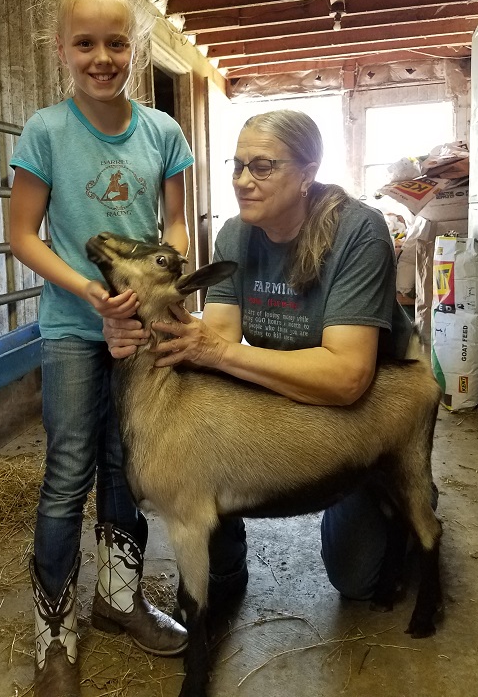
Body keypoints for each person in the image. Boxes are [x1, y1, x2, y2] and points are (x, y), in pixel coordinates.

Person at [103, 108, 415, 613]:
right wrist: (132, 328)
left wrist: (223, 353)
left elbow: (347, 377)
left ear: (308, 173)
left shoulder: (360, 231)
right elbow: (214, 344)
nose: (243, 181)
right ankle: (224, 562)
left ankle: (400, 487)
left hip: (359, 412)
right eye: (238, 165)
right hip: (278, 402)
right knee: (200, 435)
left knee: (357, 579)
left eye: (263, 167)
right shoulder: (236, 234)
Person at [9, 0, 189, 697]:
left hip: (140, 330)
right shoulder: (46, 131)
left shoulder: (162, 133)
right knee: (67, 472)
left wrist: (145, 295)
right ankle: (55, 627)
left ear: (137, 50)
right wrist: (92, 293)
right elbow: (22, 233)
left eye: (116, 43)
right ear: (60, 50)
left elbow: (177, 227)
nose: (102, 57)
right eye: (85, 43)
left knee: (128, 470)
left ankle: (119, 599)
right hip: (73, 329)